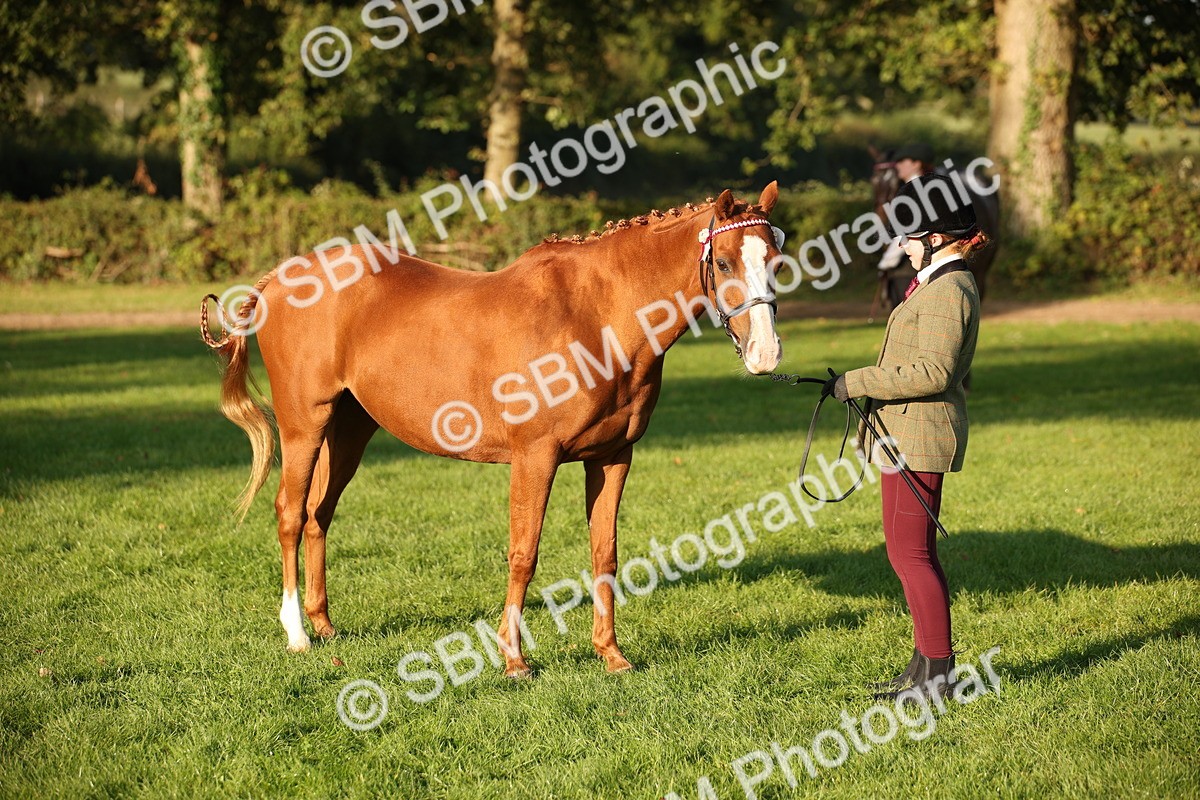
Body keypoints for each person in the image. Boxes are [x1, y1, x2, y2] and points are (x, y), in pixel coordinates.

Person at [826, 173, 990, 702]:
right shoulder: (939, 283)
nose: (903, 246)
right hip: (905, 433)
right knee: (911, 552)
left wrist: (857, 381)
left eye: (911, 237)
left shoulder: (949, 289)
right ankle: (924, 668)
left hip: (920, 437)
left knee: (909, 557)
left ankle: (938, 678)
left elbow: (935, 372)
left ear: (938, 238)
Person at [875, 142, 936, 310]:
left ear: (916, 164)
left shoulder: (915, 190)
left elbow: (906, 233)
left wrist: (887, 262)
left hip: (908, 268)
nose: (898, 165)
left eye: (902, 161)